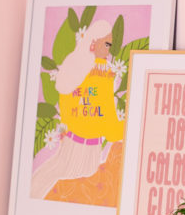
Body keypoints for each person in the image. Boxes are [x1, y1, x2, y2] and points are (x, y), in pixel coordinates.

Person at [31, 19, 125, 201]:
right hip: (87, 150)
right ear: (93, 43)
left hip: (69, 146)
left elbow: (65, 114)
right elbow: (109, 123)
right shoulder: (102, 74)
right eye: (106, 44)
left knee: (50, 177)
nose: (108, 50)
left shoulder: (72, 68)